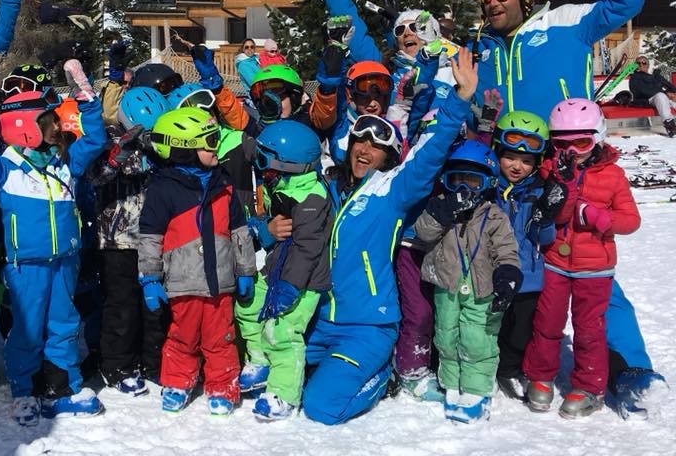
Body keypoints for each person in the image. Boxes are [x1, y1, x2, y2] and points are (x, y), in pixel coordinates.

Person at [466, 0, 660, 413]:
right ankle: (507, 358)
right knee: (519, 271)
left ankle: (625, 366)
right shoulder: (479, 50)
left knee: (590, 269)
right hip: (504, 171)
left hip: (566, 168)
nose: (491, 3)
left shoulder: (567, 24)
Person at [301, 47, 477, 425]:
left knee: (321, 407)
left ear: (390, 158)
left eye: (377, 147)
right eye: (360, 142)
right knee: (277, 375)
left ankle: (382, 377)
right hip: (318, 321)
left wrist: (459, 100)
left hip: (366, 325)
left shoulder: (392, 190)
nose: (365, 150)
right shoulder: (329, 189)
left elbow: (429, 154)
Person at [0, 60, 108, 426]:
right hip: (27, 264)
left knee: (63, 322)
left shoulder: (64, 163)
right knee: (27, 328)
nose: (59, 126)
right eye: (50, 121)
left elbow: (97, 140)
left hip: (65, 260)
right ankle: (24, 390)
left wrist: (87, 100)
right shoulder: (5, 168)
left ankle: (63, 386)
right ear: (26, 127)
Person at [523, 99, 641, 419]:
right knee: (547, 322)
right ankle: (541, 374)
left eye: (581, 142)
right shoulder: (551, 169)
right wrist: (563, 183)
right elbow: (557, 214)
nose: (572, 151)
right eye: (562, 144)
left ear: (598, 137)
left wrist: (600, 217)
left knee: (589, 328)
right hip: (556, 262)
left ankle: (590, 386)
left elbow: (631, 220)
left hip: (595, 268)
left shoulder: (613, 175)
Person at [138, 107, 256, 415]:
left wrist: (245, 270)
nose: (216, 146)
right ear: (185, 149)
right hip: (182, 282)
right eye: (210, 141)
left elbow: (240, 231)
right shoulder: (163, 189)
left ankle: (223, 386)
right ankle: (178, 382)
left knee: (222, 338)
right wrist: (150, 279)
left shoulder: (223, 184)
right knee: (182, 336)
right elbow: (150, 237)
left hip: (219, 282)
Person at [414, 141, 521, 423]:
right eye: (456, 181)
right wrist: (440, 213)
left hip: (481, 290)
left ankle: (477, 386)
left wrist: (508, 273)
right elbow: (422, 234)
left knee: (477, 340)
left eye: (473, 182)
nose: (463, 190)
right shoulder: (439, 208)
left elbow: (507, 248)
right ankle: (452, 381)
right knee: (446, 336)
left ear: (487, 184)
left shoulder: (493, 215)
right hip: (447, 288)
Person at [234, 120, 331, 421]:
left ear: (290, 164)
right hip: (278, 267)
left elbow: (307, 250)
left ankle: (283, 392)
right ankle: (260, 360)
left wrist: (290, 287)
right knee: (247, 306)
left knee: (283, 330)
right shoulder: (285, 184)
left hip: (303, 280)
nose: (262, 169)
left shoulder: (312, 199)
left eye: (265, 161)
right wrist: (261, 229)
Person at [89, 86, 171, 396]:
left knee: (154, 309)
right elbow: (97, 176)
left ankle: (154, 362)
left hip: (153, 241)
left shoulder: (158, 149)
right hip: (117, 242)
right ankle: (118, 365)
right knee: (121, 307)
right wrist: (122, 151)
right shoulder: (109, 145)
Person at [491, 111, 559, 401]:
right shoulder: (488, 188)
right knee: (490, 325)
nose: (517, 166)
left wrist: (545, 217)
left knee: (519, 330)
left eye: (527, 161)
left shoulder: (537, 192)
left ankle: (509, 368)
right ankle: (485, 368)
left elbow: (547, 239)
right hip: (490, 273)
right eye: (510, 157)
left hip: (528, 278)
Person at [628, 55, 676, 136]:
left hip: (664, 97)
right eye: (638, 63)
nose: (641, 65)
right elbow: (643, 91)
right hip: (648, 100)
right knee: (660, 96)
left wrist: (672, 94)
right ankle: (670, 125)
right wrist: (666, 93)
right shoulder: (635, 77)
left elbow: (671, 86)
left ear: (648, 64)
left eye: (644, 62)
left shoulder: (656, 75)